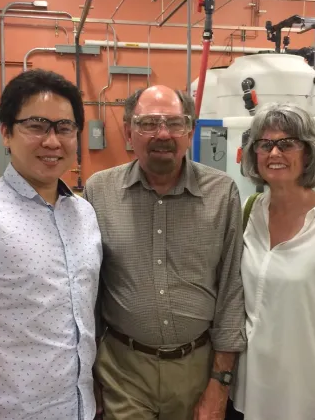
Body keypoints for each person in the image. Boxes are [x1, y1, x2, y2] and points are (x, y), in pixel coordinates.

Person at [0, 69, 102, 420]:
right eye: (37, 126)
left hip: (80, 409)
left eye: (64, 128)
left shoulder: (84, 214)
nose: (53, 141)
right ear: (6, 133)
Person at [83, 85, 246, 420]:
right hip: (123, 371)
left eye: (174, 123)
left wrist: (221, 382)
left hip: (197, 372)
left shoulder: (222, 193)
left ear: (190, 131)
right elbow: (88, 289)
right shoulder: (99, 192)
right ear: (128, 131)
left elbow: (232, 290)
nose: (162, 134)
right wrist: (89, 375)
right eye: (148, 123)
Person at [226, 103, 315, 420]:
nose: (275, 153)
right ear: (254, 154)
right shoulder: (253, 214)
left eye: (287, 143)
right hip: (245, 398)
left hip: (303, 403)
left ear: (308, 153)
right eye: (265, 144)